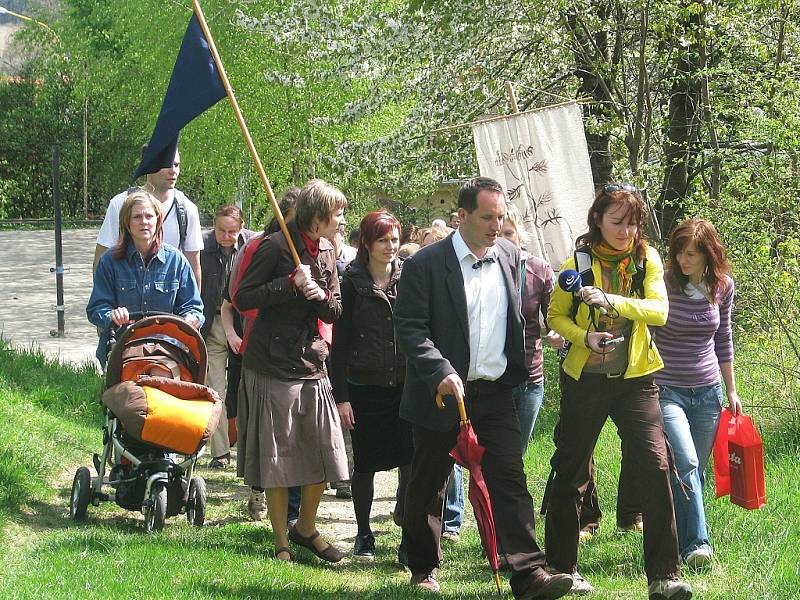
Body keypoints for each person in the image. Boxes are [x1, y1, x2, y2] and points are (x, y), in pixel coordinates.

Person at [395, 176, 573, 598]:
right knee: (429, 481)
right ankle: (422, 567)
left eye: (501, 216)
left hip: (495, 392)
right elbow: (410, 328)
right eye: (487, 217)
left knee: (509, 478)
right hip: (440, 391)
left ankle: (529, 574)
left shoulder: (514, 257)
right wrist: (439, 369)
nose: (496, 225)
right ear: (462, 217)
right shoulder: (424, 264)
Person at [544, 183, 692, 599]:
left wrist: (612, 300)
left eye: (632, 223)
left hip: (636, 380)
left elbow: (658, 311)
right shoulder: (575, 262)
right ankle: (561, 568)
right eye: (617, 222)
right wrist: (583, 339)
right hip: (585, 380)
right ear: (597, 221)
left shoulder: (647, 259)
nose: (626, 231)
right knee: (571, 470)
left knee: (655, 464)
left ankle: (664, 576)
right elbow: (556, 316)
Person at [233, 179, 349, 563]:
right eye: (337, 213)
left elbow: (334, 311)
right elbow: (243, 298)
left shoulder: (329, 249)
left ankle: (306, 528)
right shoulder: (275, 246)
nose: (341, 220)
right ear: (317, 217)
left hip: (311, 362)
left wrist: (320, 296)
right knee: (278, 458)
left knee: (325, 450)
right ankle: (282, 542)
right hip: (271, 363)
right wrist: (288, 284)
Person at [653, 217, 741, 568]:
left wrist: (731, 389)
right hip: (667, 388)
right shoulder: (662, 284)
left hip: (708, 392)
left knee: (694, 470)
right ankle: (696, 545)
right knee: (686, 462)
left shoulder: (722, 286)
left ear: (709, 255)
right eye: (678, 253)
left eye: (691, 254)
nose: (683, 260)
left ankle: (671, 535)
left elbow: (724, 338)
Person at [331, 210, 413, 562]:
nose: (390, 246)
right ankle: (364, 534)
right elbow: (340, 344)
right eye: (382, 239)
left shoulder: (408, 279)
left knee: (410, 462)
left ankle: (409, 532)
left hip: (405, 384)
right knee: (364, 464)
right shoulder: (350, 283)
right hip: (363, 385)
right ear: (366, 243)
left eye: (394, 239)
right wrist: (342, 397)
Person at [86, 190, 203, 363]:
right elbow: (96, 308)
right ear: (127, 222)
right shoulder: (110, 261)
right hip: (122, 349)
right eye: (137, 217)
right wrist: (112, 315)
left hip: (167, 350)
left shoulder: (176, 261)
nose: (144, 222)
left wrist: (191, 318)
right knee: (127, 391)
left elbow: (193, 307)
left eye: (149, 216)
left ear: (158, 220)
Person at [499, 203, 563, 454]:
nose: (502, 240)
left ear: (519, 234)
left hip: (529, 375)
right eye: (498, 234)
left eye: (508, 233)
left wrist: (558, 333)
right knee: (491, 454)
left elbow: (555, 317)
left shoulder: (539, 268)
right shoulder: (481, 267)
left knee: (516, 453)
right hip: (492, 378)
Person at [94, 147, 203, 286]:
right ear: (149, 164)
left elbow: (194, 267)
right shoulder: (121, 204)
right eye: (167, 164)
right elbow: (101, 260)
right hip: (125, 300)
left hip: (169, 301)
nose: (173, 171)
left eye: (176, 165)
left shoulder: (187, 209)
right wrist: (102, 303)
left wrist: (194, 306)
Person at [200, 205, 253, 469]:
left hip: (245, 327)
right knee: (215, 389)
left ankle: (248, 449)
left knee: (246, 389)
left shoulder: (253, 246)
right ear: (214, 226)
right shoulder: (201, 247)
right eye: (221, 230)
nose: (226, 236)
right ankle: (219, 452)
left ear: (241, 228)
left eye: (232, 231)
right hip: (212, 327)